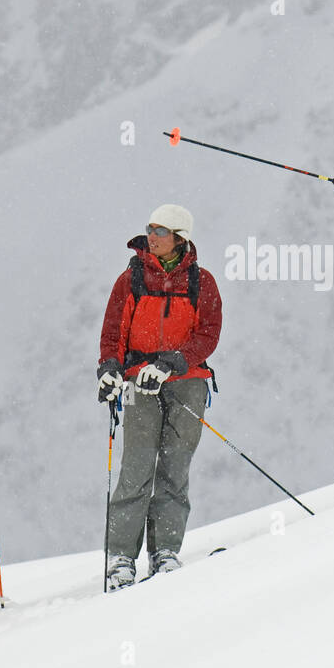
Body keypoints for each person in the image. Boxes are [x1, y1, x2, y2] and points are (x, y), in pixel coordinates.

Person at [97, 205, 222, 591]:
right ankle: (120, 558)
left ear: (180, 237)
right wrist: (109, 369)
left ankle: (165, 550)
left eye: (161, 230)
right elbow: (113, 332)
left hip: (187, 382)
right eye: (150, 228)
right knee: (135, 468)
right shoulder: (130, 278)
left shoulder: (203, 283)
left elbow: (208, 335)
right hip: (138, 383)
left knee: (174, 469)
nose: (151, 236)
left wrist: (174, 363)